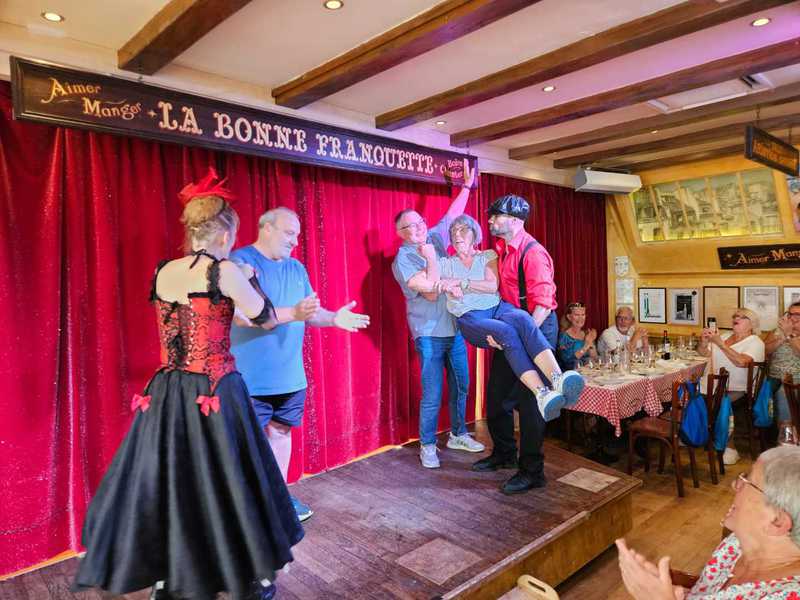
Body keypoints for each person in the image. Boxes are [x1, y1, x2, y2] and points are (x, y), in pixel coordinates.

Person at [73, 169, 303, 600]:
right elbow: (267, 318)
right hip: (216, 389)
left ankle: (170, 579)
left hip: (167, 391)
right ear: (224, 236)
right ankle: (246, 577)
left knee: (176, 481)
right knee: (229, 480)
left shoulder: (163, 271)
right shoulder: (225, 270)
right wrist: (249, 277)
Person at [230, 207, 370, 522]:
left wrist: (333, 318)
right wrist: (294, 312)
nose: (295, 241)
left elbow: (309, 313)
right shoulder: (239, 262)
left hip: (290, 377)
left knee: (281, 433)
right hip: (249, 378)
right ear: (266, 228)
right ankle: (245, 512)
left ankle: (277, 500)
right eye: (289, 233)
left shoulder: (296, 267)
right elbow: (245, 316)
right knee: (246, 445)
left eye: (297, 235)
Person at [412, 214, 584, 421]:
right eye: (453, 231)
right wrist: (441, 281)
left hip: (498, 307)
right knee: (506, 332)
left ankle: (558, 379)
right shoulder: (445, 263)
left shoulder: (487, 255)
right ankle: (542, 394)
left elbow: (491, 286)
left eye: (463, 230)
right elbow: (416, 282)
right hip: (471, 317)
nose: (457, 234)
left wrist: (459, 282)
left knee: (523, 318)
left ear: (474, 235)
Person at [472, 194, 568, 495]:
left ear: (514, 220)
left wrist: (520, 338)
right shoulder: (501, 249)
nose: (490, 220)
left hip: (537, 327)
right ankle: (504, 454)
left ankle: (532, 471)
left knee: (531, 404)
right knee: (497, 396)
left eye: (496, 215)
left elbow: (543, 305)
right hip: (513, 326)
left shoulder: (533, 253)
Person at [392, 159, 485, 469]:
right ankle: (428, 445)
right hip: (429, 335)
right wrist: (432, 258)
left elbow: (452, 216)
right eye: (411, 226)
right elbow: (431, 291)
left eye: (420, 222)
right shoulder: (403, 259)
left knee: (461, 385)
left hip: (454, 329)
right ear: (401, 233)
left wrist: (466, 186)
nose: (419, 228)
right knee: (432, 394)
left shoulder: (433, 236)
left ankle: (458, 434)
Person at [616, 445, 800, 600]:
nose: (735, 485)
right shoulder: (738, 543)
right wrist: (670, 589)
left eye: (747, 482)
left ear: (777, 521)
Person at [698, 307, 765, 466]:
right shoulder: (725, 336)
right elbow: (704, 353)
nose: (736, 318)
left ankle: (730, 446)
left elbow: (741, 362)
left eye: (742, 317)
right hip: (711, 383)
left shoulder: (755, 342)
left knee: (720, 401)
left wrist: (720, 344)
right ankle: (693, 433)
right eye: (735, 315)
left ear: (752, 324)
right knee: (686, 393)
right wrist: (704, 342)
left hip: (737, 388)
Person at [764, 301, 800, 439]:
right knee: (761, 393)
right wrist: (781, 338)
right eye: (790, 313)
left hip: (796, 379)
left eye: (797, 314)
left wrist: (789, 335)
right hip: (773, 377)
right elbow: (764, 351)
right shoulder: (777, 331)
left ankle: (787, 438)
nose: (793, 317)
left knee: (784, 394)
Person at [557, 301, 598, 370]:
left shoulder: (586, 333)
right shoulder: (564, 336)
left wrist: (591, 342)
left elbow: (595, 358)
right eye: (577, 315)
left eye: (583, 315)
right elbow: (568, 362)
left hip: (589, 372)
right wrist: (586, 346)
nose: (580, 318)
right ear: (569, 317)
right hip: (572, 373)